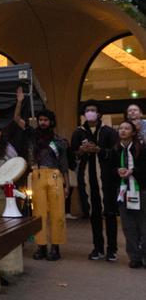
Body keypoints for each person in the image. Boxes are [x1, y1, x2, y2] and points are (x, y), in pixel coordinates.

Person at [71, 101, 119, 261]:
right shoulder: (79, 132)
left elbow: (116, 153)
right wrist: (81, 151)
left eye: (93, 110)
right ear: (84, 114)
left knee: (110, 214)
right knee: (94, 215)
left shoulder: (108, 132)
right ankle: (97, 248)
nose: (90, 112)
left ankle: (112, 249)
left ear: (99, 114)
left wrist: (99, 150)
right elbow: (72, 156)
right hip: (87, 179)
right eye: (87, 110)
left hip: (106, 180)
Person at [25, 109, 69, 261]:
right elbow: (17, 119)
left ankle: (55, 247)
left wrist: (67, 185)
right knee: (39, 214)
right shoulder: (33, 138)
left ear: (51, 122)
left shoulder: (58, 141)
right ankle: (41, 246)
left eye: (46, 120)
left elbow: (64, 163)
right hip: (37, 175)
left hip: (55, 175)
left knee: (57, 214)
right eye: (40, 120)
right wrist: (19, 103)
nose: (43, 122)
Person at [112, 120, 146, 268]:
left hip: (141, 190)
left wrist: (133, 171)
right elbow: (110, 169)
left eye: (127, 128)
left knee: (143, 226)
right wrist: (117, 170)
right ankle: (134, 257)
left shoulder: (142, 148)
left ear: (133, 132)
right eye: (121, 128)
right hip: (123, 191)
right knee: (128, 227)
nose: (123, 131)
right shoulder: (115, 149)